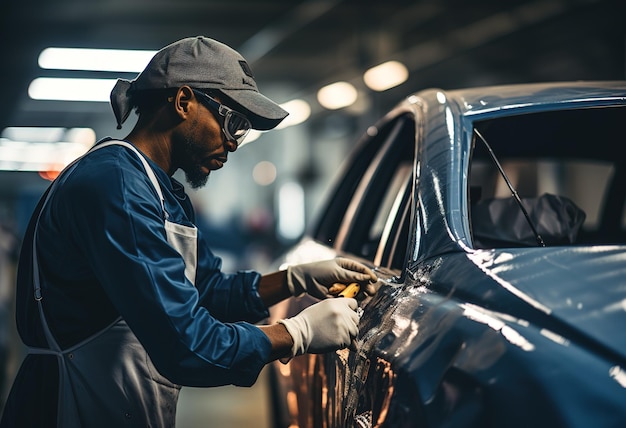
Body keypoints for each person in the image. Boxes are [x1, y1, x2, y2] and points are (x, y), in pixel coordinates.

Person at [0, 36, 378, 427]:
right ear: (183, 102)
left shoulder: (161, 191)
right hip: (69, 409)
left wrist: (296, 279)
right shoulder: (116, 187)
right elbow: (185, 345)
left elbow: (207, 292)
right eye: (232, 123)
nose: (232, 143)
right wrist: (296, 333)